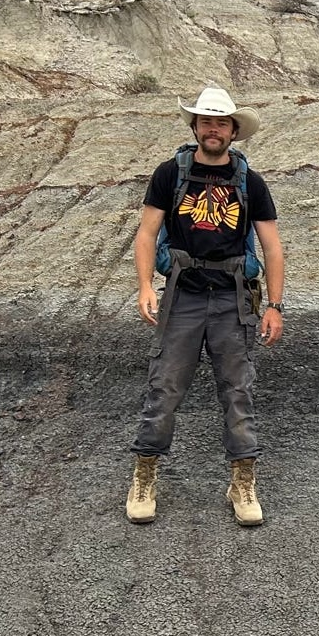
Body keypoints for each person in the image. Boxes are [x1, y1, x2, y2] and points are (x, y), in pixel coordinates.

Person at [125, 86, 285, 527]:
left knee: (238, 390)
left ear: (234, 130)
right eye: (206, 122)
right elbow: (145, 234)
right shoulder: (168, 174)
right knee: (165, 387)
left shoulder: (249, 182)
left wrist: (275, 305)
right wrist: (144, 285)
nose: (213, 130)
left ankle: (243, 482)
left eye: (221, 123)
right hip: (183, 296)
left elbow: (272, 246)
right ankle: (144, 477)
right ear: (194, 127)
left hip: (234, 299)